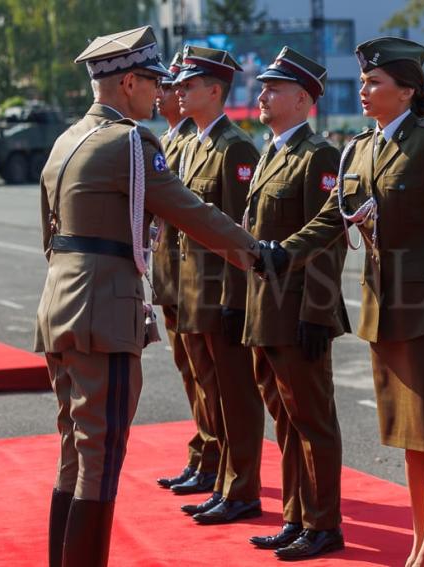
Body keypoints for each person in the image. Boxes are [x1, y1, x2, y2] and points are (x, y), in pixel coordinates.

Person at [37, 26, 260, 567]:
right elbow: (192, 213)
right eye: (154, 83)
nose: (161, 94)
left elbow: (48, 236)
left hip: (60, 305)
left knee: (74, 448)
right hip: (102, 312)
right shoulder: (131, 144)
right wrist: (257, 253)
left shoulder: (68, 138)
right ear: (129, 82)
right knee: (100, 454)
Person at [256, 36, 424, 567]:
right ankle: (422, 547)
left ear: (407, 92)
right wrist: (284, 253)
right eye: (362, 80)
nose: (363, 88)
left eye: (375, 81)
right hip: (383, 308)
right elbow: (335, 220)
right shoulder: (360, 148)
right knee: (408, 437)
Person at [242, 46, 350, 560]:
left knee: (313, 423)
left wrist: (318, 312)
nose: (261, 95)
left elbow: (327, 242)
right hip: (266, 310)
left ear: (302, 98)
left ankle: (324, 524)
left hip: (298, 312)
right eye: (263, 87)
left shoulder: (320, 157)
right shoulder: (271, 151)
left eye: (272, 88)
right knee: (285, 422)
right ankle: (296, 516)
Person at [171, 45, 265, 525]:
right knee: (214, 394)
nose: (180, 92)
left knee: (236, 395)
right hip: (193, 290)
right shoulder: (192, 143)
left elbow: (237, 232)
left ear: (215, 90)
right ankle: (225, 481)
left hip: (220, 294)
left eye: (189, 85)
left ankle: (243, 488)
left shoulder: (235, 148)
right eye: (180, 85)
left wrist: (234, 299)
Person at [152, 53, 220, 492]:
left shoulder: (219, 146)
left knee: (213, 377)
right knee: (190, 372)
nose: (167, 94)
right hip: (172, 275)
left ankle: (217, 459)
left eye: (177, 86)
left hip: (203, 282)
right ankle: (203, 452)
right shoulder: (173, 142)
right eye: (167, 86)